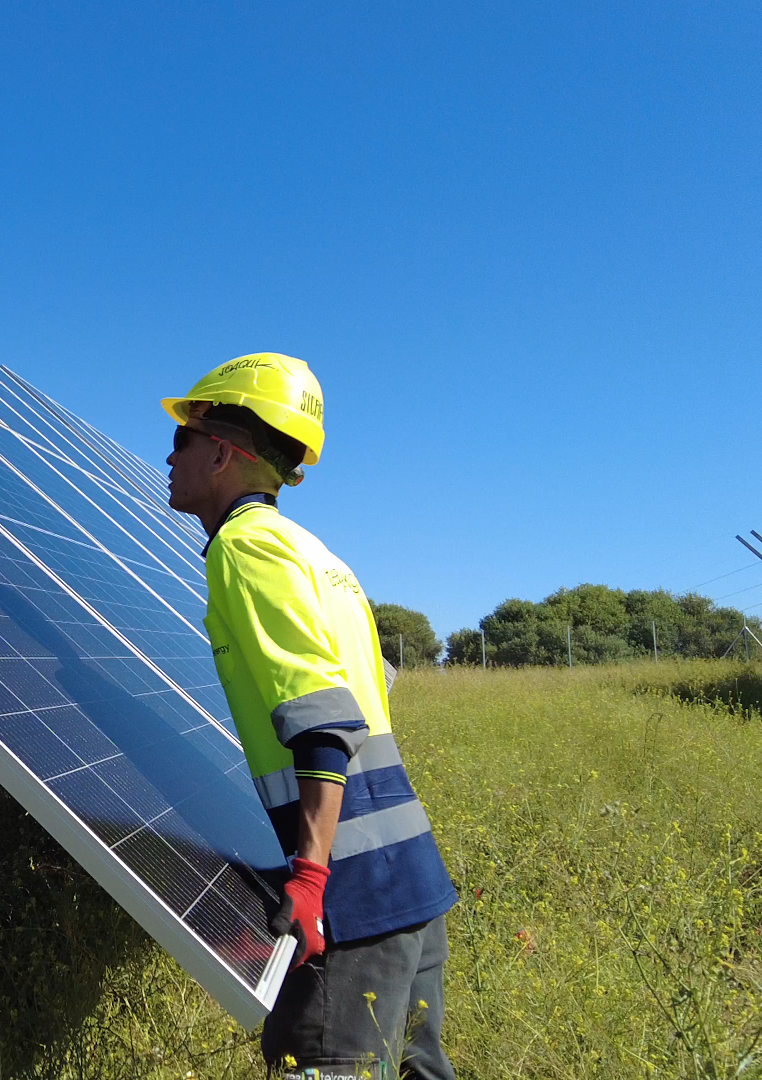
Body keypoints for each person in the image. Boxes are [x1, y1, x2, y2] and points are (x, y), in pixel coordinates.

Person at [163, 354, 458, 1079]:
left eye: (181, 441)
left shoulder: (246, 547)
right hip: (410, 881)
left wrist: (311, 879)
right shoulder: (317, 554)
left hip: (352, 898)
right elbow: (372, 686)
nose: (168, 458)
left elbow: (325, 720)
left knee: (323, 1063)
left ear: (223, 452)